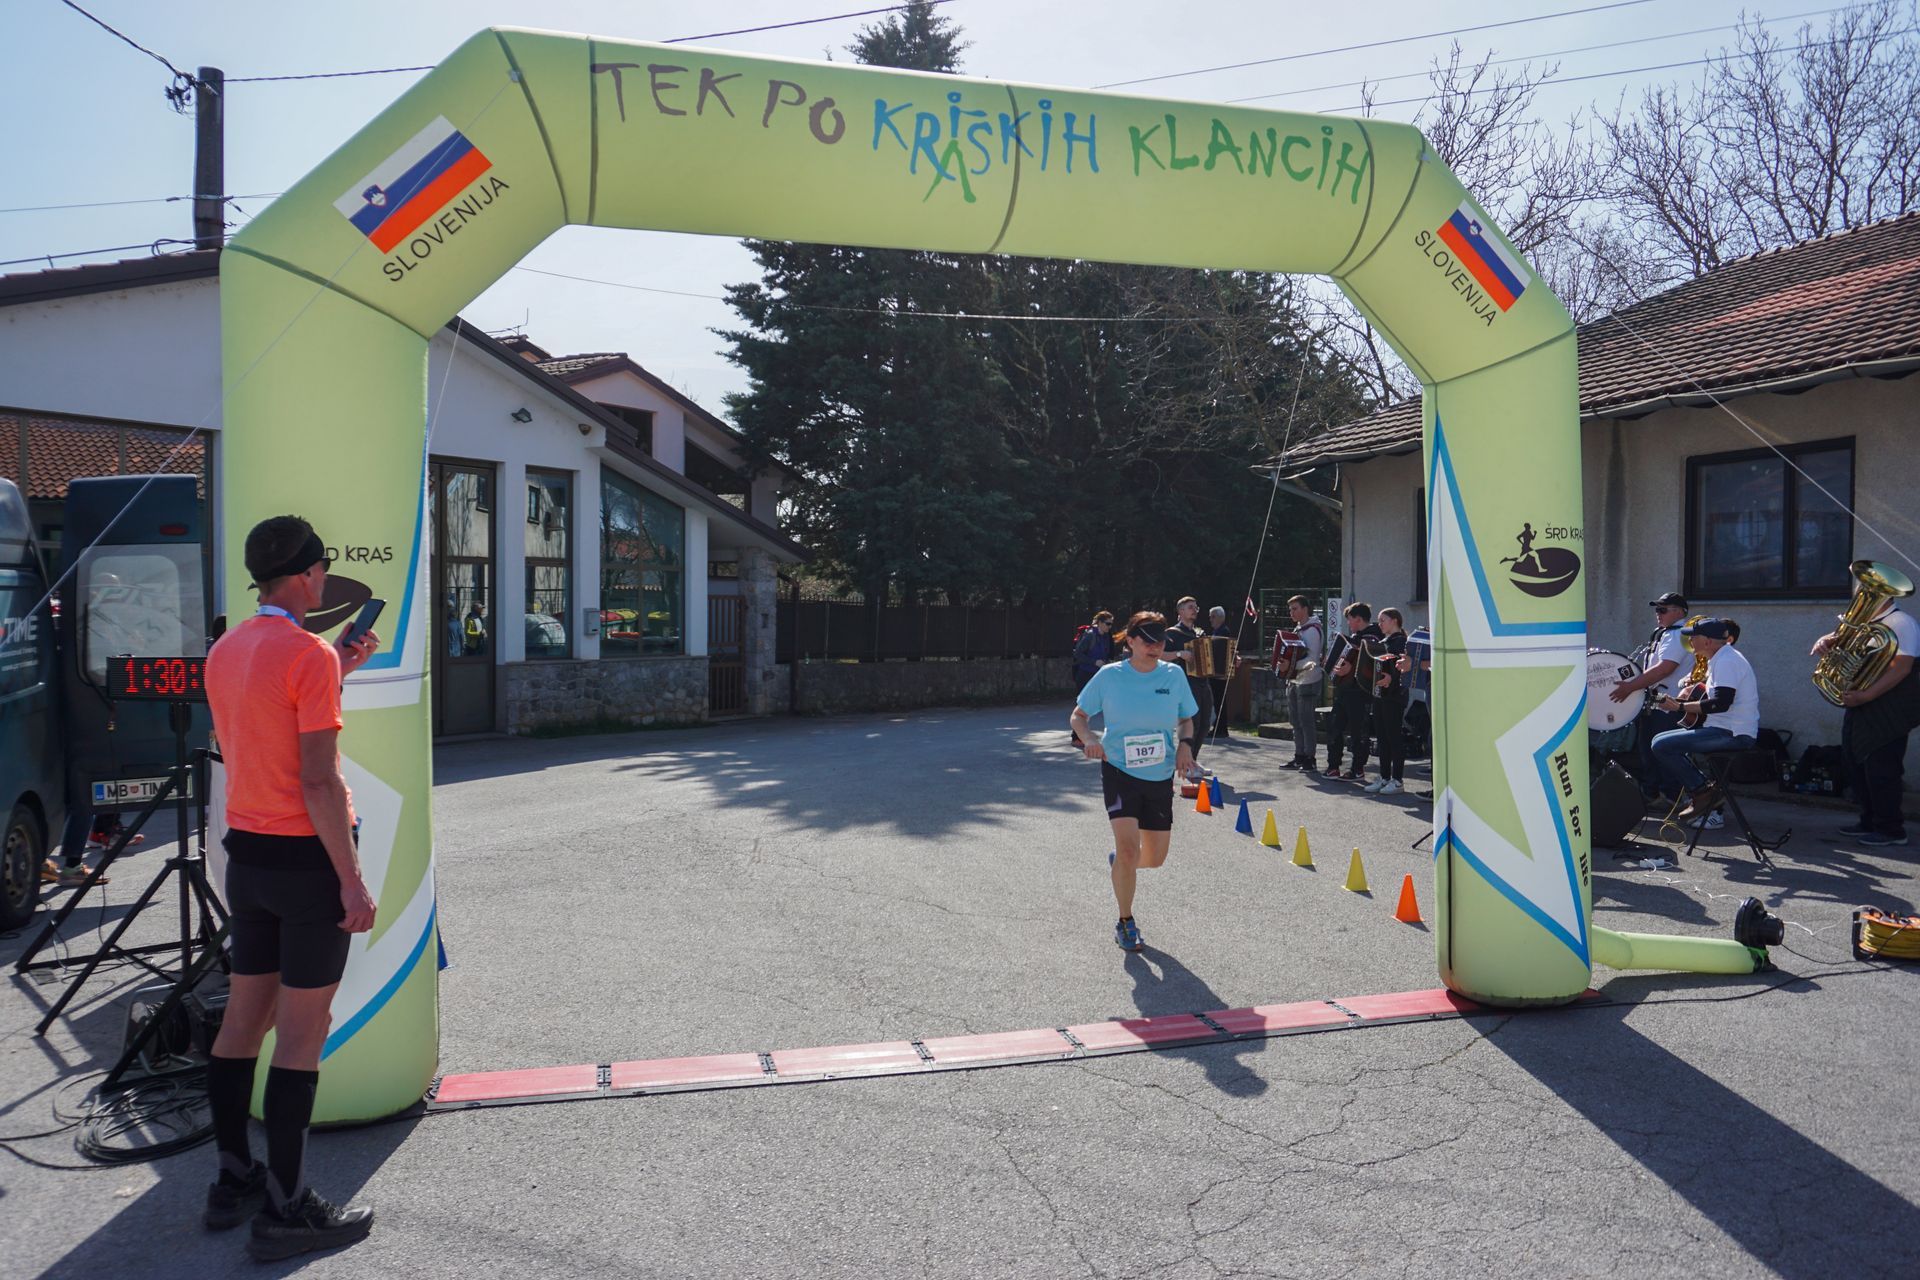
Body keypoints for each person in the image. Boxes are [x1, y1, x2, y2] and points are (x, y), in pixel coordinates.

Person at [202, 515, 381, 1261]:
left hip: (247, 859)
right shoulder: (306, 654)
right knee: (303, 1035)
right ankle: (287, 1208)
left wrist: (338, 669)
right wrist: (352, 882)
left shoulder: (228, 648)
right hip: (306, 867)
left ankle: (233, 1179)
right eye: (322, 570)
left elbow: (264, 718)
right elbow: (316, 779)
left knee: (244, 1020)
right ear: (309, 575)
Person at [1070, 611, 1197, 953]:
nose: (1155, 647)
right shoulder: (1110, 676)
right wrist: (1089, 739)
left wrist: (1185, 746)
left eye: (1160, 641)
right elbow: (1078, 716)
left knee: (1154, 859)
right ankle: (1125, 922)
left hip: (1160, 775)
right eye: (1147, 641)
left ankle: (1122, 863)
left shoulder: (1173, 675)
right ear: (1130, 641)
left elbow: (1186, 719)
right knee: (1129, 850)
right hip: (1118, 770)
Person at [1814, 593, 1920, 847]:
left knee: (1882, 766)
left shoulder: (1901, 622)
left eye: (1869, 593)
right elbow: (1840, 645)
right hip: (1863, 702)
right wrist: (1825, 642)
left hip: (1890, 706)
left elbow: (1902, 667)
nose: (1860, 599)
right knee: (1854, 759)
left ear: (1885, 597)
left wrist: (1866, 695)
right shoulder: (1865, 624)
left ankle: (1891, 829)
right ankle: (1869, 821)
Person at [1647, 619, 1759, 821]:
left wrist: (1679, 706)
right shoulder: (1721, 658)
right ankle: (1704, 791)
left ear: (1707, 641)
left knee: (1662, 746)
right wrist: (1683, 698)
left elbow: (1720, 704)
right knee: (1658, 741)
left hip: (1733, 734)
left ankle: (1703, 792)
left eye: (1694, 636)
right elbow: (1717, 700)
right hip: (1721, 728)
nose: (1690, 640)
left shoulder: (1727, 661)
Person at [1611, 592, 1690, 804]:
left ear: (1679, 612)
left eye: (1663, 610)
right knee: (1648, 750)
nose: (1658, 614)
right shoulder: (1666, 633)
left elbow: (1665, 668)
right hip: (1656, 702)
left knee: (1663, 751)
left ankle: (1672, 797)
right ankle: (1653, 793)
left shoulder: (1678, 635)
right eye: (1657, 610)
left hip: (1668, 704)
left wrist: (1630, 687)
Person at [1324, 603, 1382, 782]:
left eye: (1350, 619)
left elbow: (1371, 663)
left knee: (1358, 731)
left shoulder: (1375, 637)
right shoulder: (1354, 638)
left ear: (1358, 619)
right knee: (1335, 727)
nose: (1348, 623)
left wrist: (1351, 667)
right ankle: (1333, 766)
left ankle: (1357, 769)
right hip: (1344, 690)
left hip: (1360, 692)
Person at [1160, 597, 1214, 772]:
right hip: (1186, 684)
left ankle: (1192, 761)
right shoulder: (1172, 633)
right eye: (1190, 607)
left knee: (1205, 724)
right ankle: (1186, 764)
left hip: (1203, 682)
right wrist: (1179, 654)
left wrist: (1232, 658)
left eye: (1196, 607)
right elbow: (1159, 655)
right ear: (1180, 611)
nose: (1195, 610)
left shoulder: (1199, 633)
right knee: (1193, 724)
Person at [1274, 595, 1325, 773]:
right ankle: (1299, 756)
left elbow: (1312, 659)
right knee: (1295, 721)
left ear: (1305, 609)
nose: (1292, 612)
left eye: (1295, 608)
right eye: (1290, 609)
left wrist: (1290, 665)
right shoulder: (1299, 628)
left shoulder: (1312, 630)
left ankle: (1310, 758)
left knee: (1306, 721)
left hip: (1308, 680)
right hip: (1295, 680)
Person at [1364, 608, 1412, 796]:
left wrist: (1392, 678)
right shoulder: (1383, 643)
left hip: (1394, 696)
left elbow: (1402, 667)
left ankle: (1397, 780)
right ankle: (1384, 777)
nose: (1380, 624)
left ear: (1394, 621)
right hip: (1380, 695)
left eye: (1383, 620)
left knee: (1394, 737)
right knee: (1382, 737)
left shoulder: (1401, 642)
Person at [1069, 611, 1115, 748]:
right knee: (1083, 706)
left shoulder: (1106, 636)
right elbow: (1078, 654)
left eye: (1111, 624)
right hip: (1085, 674)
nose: (1110, 627)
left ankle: (1083, 735)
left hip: (1097, 674)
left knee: (1100, 703)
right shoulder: (1090, 635)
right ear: (1099, 623)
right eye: (1107, 623)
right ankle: (1076, 737)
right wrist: (1094, 662)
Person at [1206, 605, 1234, 740]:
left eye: (1213, 617)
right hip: (1216, 672)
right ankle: (1219, 727)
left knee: (1219, 701)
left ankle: (1221, 729)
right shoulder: (1217, 631)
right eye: (1210, 617)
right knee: (1217, 701)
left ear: (1220, 617)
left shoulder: (1223, 631)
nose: (1210, 619)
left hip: (1220, 673)